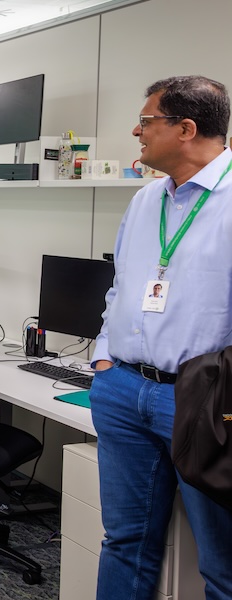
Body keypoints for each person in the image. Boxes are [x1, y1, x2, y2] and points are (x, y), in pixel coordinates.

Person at [90, 75, 232, 599]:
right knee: (124, 543)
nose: (137, 130)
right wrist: (105, 358)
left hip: (204, 405)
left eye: (147, 121)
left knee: (221, 565)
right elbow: (121, 285)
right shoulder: (147, 199)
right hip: (123, 392)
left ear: (187, 128)